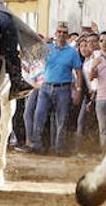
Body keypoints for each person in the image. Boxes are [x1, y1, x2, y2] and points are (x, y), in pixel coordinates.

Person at [29, 23, 83, 155]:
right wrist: (41, 43)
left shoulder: (72, 52)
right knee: (39, 115)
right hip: (46, 86)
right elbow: (33, 56)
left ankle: (59, 148)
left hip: (63, 88)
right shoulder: (48, 48)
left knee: (61, 119)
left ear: (67, 35)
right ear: (55, 33)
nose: (61, 35)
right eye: (59, 32)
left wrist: (78, 90)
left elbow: (79, 72)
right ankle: (36, 145)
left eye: (64, 33)